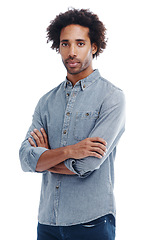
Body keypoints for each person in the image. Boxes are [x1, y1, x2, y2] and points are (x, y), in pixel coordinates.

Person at [19, 8, 125, 240]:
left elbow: (87, 164)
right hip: (47, 223)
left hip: (91, 223)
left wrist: (46, 158)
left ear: (93, 47)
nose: (71, 52)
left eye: (79, 43)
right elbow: (26, 158)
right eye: (65, 44)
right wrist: (70, 151)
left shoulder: (112, 97)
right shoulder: (46, 102)